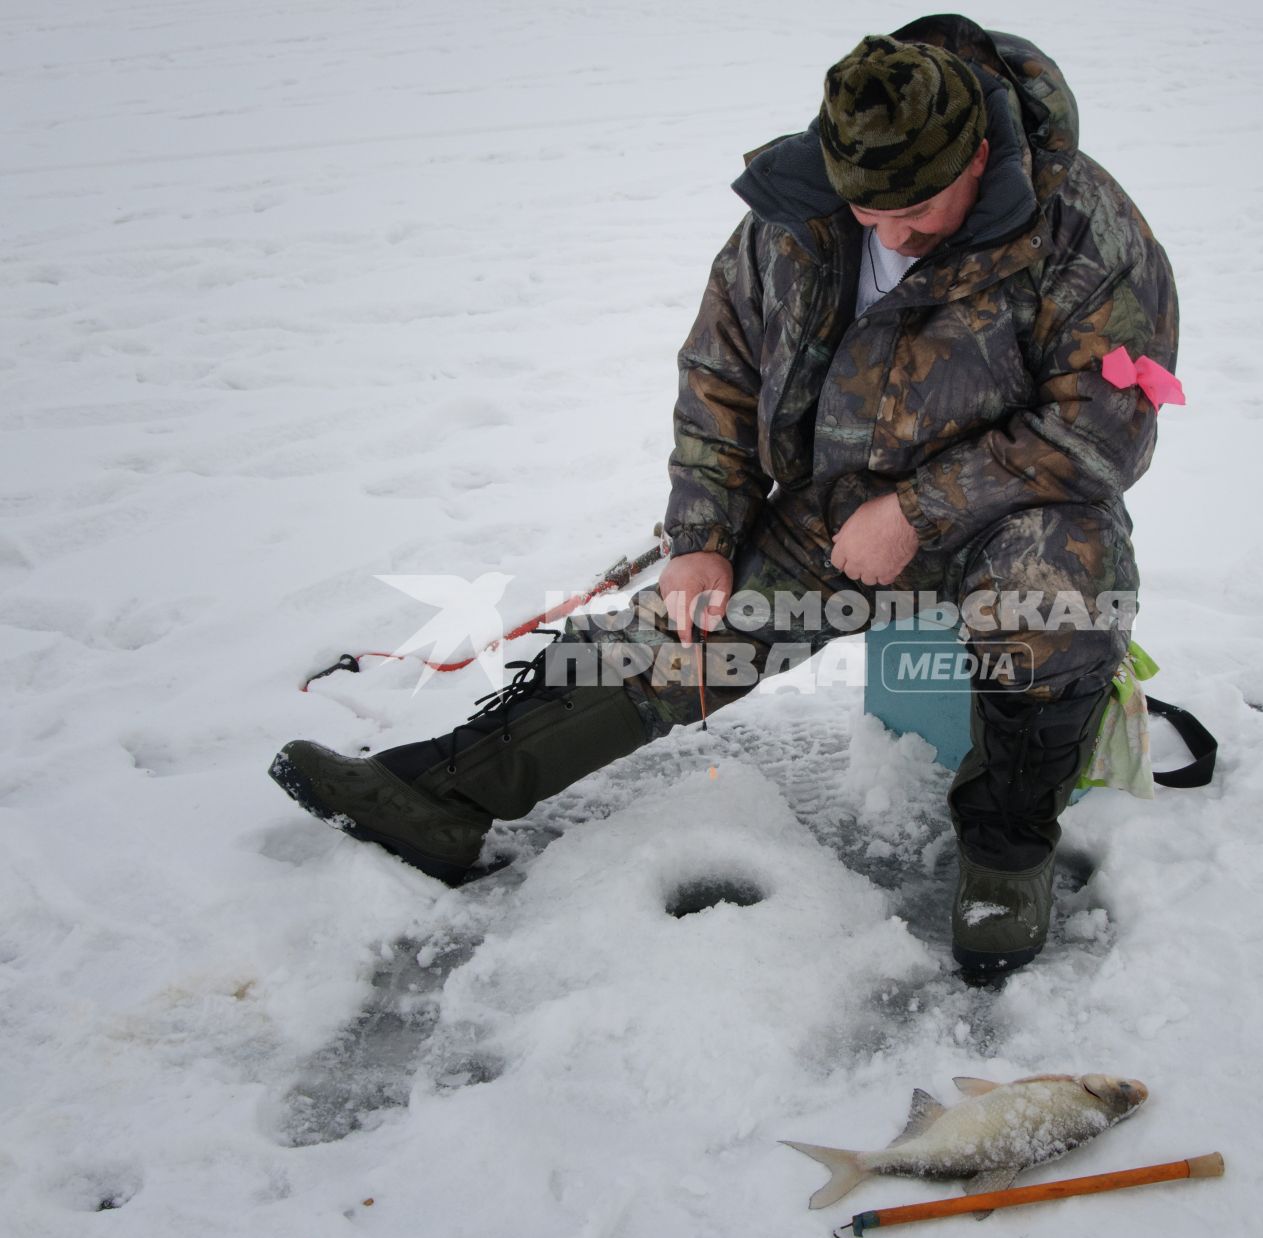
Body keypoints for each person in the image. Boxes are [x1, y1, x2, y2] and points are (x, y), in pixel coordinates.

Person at [270, 14, 1177, 979]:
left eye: (917, 210)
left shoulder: (1084, 226)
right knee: (688, 627)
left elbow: (1102, 428)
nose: (890, 235)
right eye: (869, 213)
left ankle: (1005, 858)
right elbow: (720, 381)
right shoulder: (794, 221)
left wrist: (916, 513)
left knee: (1062, 598)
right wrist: (699, 533)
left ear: (980, 155)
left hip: (1021, 509)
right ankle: (444, 796)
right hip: (832, 512)